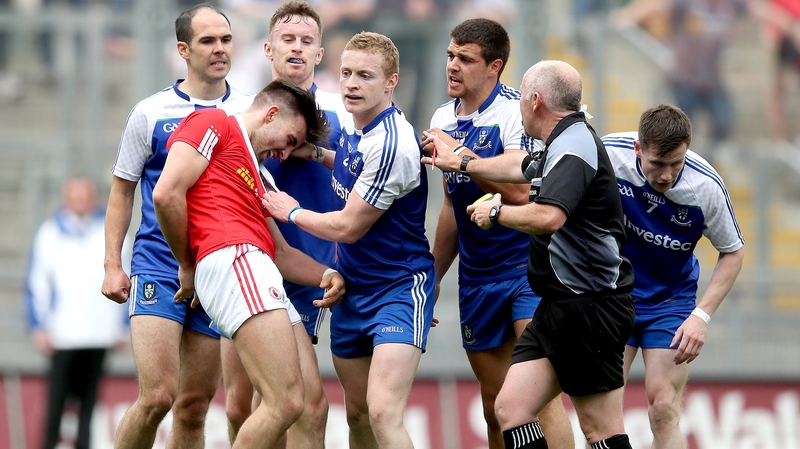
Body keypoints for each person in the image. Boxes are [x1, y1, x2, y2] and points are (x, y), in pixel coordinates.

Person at [421, 60, 636, 449]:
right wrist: (465, 161)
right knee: (511, 409)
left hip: (590, 306)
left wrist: (496, 212)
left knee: (600, 429)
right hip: (558, 307)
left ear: (535, 101)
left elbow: (549, 216)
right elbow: (520, 167)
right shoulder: (560, 141)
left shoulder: (574, 145)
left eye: (521, 96)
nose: (518, 104)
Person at [262, 32, 436, 449]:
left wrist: (291, 211)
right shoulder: (356, 129)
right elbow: (354, 165)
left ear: (391, 81)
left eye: (365, 75)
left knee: (382, 411)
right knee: (357, 414)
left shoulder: (393, 142)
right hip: (352, 289)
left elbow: (348, 227)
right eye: (346, 73)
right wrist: (320, 155)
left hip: (398, 287)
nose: (352, 83)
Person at [153, 79, 344, 449]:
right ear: (271, 114)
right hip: (234, 259)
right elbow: (165, 193)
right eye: (289, 140)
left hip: (257, 266)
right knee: (284, 402)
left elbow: (282, 254)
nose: (286, 153)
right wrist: (186, 265)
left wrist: (330, 275)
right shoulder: (215, 123)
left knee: (309, 403)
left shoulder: (257, 174)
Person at [421, 18, 573, 449]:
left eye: (465, 59)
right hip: (477, 278)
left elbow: (524, 195)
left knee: (539, 399)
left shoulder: (514, 113)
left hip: (528, 272)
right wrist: (432, 279)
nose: (452, 66)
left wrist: (461, 158)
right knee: (494, 405)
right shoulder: (440, 118)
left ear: (494, 66)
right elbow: (452, 206)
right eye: (450, 55)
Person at [101, 5, 245, 448]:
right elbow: (122, 190)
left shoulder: (245, 111)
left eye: (225, 39)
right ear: (183, 49)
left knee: (194, 406)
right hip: (159, 266)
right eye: (207, 41)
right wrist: (111, 264)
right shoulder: (151, 112)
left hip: (217, 271)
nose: (219, 49)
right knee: (157, 396)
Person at [219, 1, 351, 444]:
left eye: (307, 41)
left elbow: (377, 174)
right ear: (268, 49)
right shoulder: (237, 119)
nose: (297, 49)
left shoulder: (345, 113)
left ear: (319, 53)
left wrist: (317, 151)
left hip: (309, 269)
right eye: (288, 40)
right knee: (241, 404)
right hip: (249, 266)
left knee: (303, 405)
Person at [602, 104, 745, 449]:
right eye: (657, 164)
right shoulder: (606, 154)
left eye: (675, 164)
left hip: (670, 301)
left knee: (664, 408)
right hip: (612, 294)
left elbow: (734, 252)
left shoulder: (706, 186)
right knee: (603, 409)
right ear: (638, 149)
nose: (666, 175)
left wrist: (701, 316)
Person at [26, 177, 130, 449]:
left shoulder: (111, 232)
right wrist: (39, 325)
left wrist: (123, 326)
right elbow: (37, 282)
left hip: (99, 333)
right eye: (75, 196)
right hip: (63, 334)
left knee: (89, 403)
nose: (80, 202)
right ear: (66, 198)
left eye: (85, 196)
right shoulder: (50, 233)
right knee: (56, 402)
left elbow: (128, 276)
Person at [611, 0, 736, 159]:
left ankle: (708, 162)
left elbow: (755, 8)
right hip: (685, 80)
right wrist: (626, 17)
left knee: (723, 122)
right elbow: (657, 4)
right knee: (685, 129)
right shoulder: (688, 3)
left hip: (712, 81)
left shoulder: (726, 5)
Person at [748, 0, 800, 145]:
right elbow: (757, 6)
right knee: (776, 91)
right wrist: (788, 24)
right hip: (778, 35)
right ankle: (780, 142)